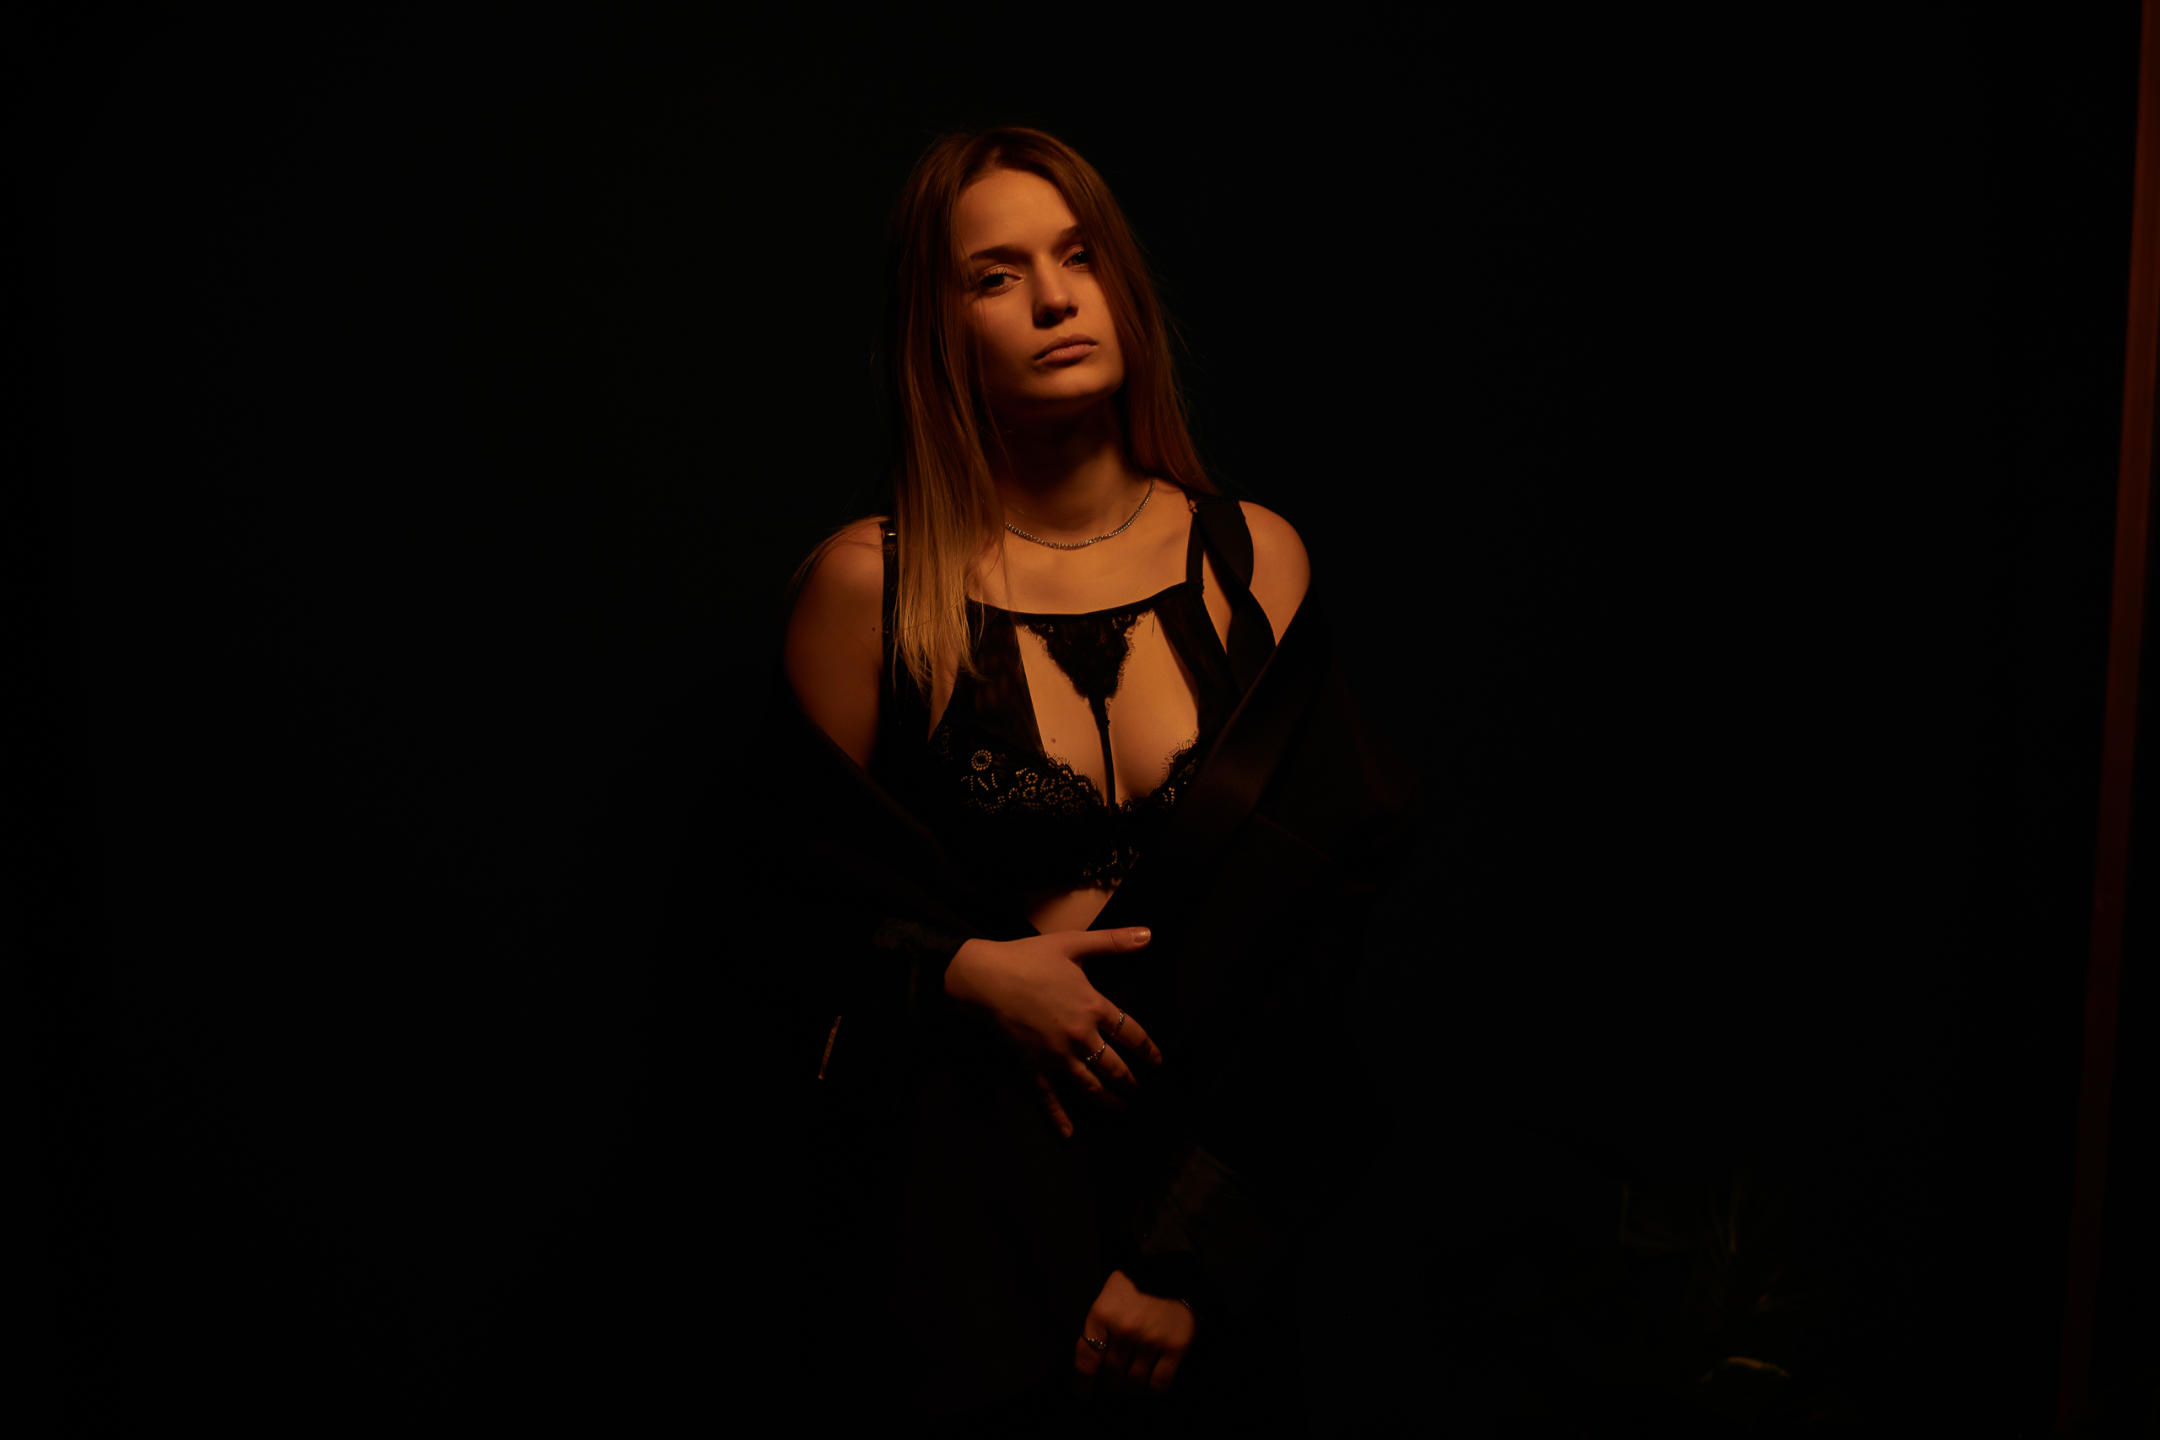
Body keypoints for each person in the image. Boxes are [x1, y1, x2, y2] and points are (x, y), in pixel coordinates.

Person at [754, 125, 1419, 1432]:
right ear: (937, 327)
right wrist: (963, 971)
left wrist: (1191, 1258)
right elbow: (772, 919)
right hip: (960, 1221)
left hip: (1217, 1193)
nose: (1056, 300)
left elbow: (1330, 931)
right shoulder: (866, 590)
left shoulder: (1253, 564)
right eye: (996, 275)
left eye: (1078, 256)